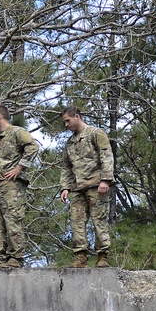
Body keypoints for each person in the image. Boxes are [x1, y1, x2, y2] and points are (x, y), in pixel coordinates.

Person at [60, 107, 115, 268]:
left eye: (68, 121)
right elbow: (66, 167)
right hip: (77, 188)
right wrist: (65, 188)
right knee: (76, 221)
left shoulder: (95, 134)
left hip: (97, 186)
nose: (66, 125)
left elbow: (106, 155)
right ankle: (81, 257)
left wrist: (105, 180)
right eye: (64, 122)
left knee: (99, 220)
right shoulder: (70, 143)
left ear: (77, 117)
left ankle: (102, 256)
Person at [0, 105, 39, 268]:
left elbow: (33, 147)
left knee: (13, 221)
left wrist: (19, 168)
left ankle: (15, 258)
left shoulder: (17, 132)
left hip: (12, 186)